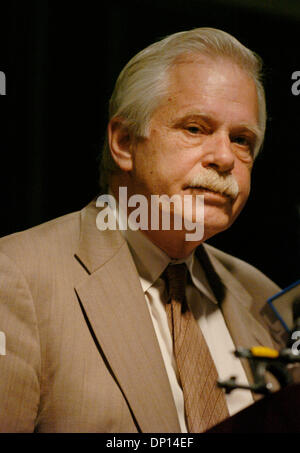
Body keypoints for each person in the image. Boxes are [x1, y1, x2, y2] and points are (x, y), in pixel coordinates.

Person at [0, 27, 287, 433]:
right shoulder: (15, 277)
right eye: (195, 128)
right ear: (123, 141)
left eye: (241, 139)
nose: (225, 157)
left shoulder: (263, 297)